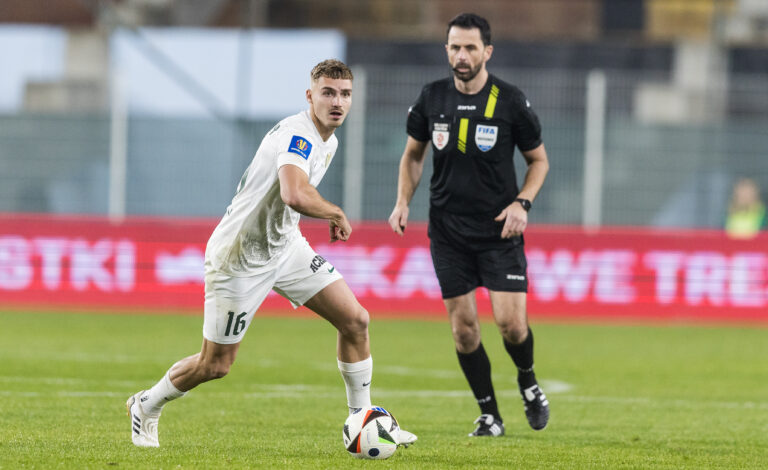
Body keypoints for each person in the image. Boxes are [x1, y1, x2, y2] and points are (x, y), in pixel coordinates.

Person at [127, 59, 416, 448]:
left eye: (345, 94)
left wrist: (316, 215)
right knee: (216, 365)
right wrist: (333, 211)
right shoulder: (300, 135)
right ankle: (146, 404)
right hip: (240, 258)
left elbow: (293, 201)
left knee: (355, 320)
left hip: (285, 247)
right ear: (310, 96)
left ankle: (361, 420)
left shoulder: (329, 139)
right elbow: (293, 193)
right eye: (328, 93)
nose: (338, 102)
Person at [388, 13, 550, 437]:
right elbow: (413, 155)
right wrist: (403, 201)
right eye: (455, 47)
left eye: (470, 48)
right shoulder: (432, 98)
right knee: (463, 332)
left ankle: (528, 381)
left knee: (511, 326)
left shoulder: (511, 101)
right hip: (448, 232)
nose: (462, 56)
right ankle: (490, 415)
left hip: (500, 230)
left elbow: (539, 161)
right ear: (447, 50)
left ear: (487, 52)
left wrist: (523, 203)